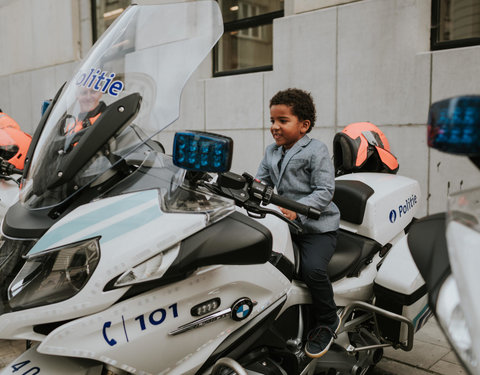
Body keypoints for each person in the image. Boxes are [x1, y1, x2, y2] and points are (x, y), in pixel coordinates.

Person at [256, 88, 341, 358]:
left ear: (303, 125)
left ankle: (328, 320)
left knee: (313, 271)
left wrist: (298, 211)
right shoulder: (271, 151)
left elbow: (325, 191)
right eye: (272, 120)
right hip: (284, 225)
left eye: (282, 120)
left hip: (317, 228)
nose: (274, 127)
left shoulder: (316, 150)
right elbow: (262, 183)